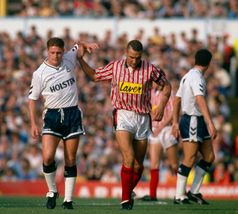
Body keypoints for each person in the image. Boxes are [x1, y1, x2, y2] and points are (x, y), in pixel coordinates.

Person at [77, 40, 172, 210]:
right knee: (128, 157)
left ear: (141, 56)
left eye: (137, 58)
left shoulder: (150, 69)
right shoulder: (115, 67)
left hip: (143, 117)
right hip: (123, 115)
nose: (134, 61)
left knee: (138, 164)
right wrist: (80, 60)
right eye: (131, 57)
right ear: (125, 53)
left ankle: (128, 191)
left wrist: (163, 106)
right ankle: (126, 200)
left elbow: (167, 86)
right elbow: (93, 75)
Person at [28, 37, 97, 210]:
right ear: (47, 51)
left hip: (72, 113)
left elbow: (78, 45)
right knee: (48, 157)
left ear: (63, 51)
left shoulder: (69, 57)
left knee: (71, 158)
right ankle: (52, 191)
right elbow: (32, 99)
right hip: (52, 115)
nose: (56, 56)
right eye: (52, 53)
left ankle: (68, 199)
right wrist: (33, 123)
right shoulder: (40, 73)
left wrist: (86, 44)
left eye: (59, 52)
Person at [171, 49, 217, 205]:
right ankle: (179, 195)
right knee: (189, 158)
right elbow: (200, 99)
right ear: (208, 64)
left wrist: (175, 122)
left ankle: (194, 192)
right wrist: (210, 122)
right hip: (193, 120)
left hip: (196, 120)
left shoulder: (187, 76)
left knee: (209, 157)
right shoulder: (197, 77)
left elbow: (176, 100)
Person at [141, 83, 179, 202]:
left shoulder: (169, 93)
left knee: (174, 165)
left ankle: (181, 193)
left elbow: (174, 112)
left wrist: (162, 126)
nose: (152, 83)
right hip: (155, 131)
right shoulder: (151, 94)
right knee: (154, 165)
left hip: (166, 129)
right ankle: (152, 194)